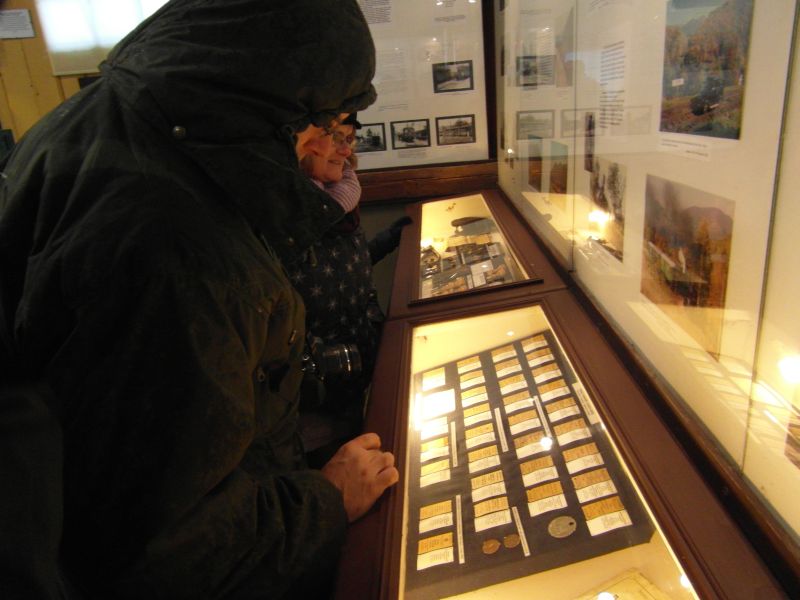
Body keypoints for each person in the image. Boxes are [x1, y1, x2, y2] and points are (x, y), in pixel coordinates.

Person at [0, 1, 398, 599]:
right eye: (328, 121)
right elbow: (164, 548)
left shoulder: (103, 122)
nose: (327, 143)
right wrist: (327, 499)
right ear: (277, 111)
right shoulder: (177, 243)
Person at [293, 115, 385, 466]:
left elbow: (345, 269)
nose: (344, 151)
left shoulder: (341, 202)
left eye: (348, 139)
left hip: (356, 377)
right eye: (333, 137)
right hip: (313, 405)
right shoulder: (289, 216)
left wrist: (390, 240)